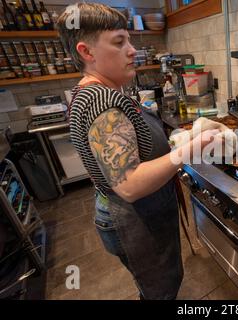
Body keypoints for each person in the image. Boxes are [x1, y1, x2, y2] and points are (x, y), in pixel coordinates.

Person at [56, 3, 220, 299]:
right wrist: (195, 147)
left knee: (160, 284)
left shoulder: (100, 92)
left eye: (129, 40)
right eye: (119, 42)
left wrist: (183, 137)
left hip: (139, 214)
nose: (132, 50)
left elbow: (136, 148)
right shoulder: (100, 102)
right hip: (134, 219)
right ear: (87, 52)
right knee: (159, 290)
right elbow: (129, 184)